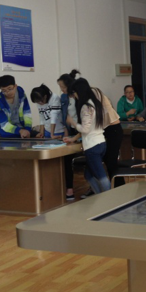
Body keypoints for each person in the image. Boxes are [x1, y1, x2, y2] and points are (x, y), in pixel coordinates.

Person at [66, 78, 111, 197]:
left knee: (101, 176)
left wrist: (73, 122)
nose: (74, 96)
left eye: (74, 93)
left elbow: (85, 129)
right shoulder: (96, 103)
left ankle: (109, 199)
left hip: (92, 146)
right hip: (101, 143)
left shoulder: (85, 107)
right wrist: (73, 138)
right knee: (88, 174)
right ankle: (100, 197)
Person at [58, 70, 81, 200]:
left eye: (63, 87)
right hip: (71, 130)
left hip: (82, 130)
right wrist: (66, 130)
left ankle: (93, 187)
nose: (61, 90)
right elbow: (64, 114)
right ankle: (69, 189)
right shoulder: (63, 97)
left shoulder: (79, 96)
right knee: (67, 159)